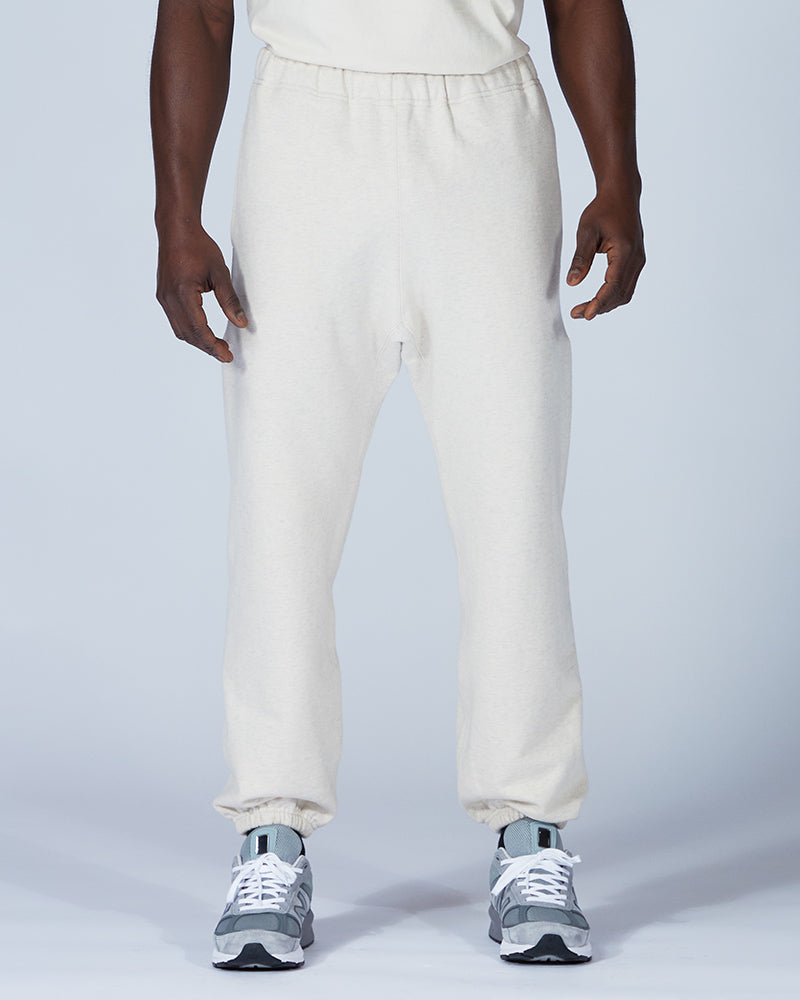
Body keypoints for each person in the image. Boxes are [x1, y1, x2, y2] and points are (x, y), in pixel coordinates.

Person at [150, 0, 645, 971]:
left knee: (512, 497)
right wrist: (176, 215)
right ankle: (269, 831)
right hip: (306, 131)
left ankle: (531, 828)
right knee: (281, 502)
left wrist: (618, 179)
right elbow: (200, 9)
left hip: (486, 129)